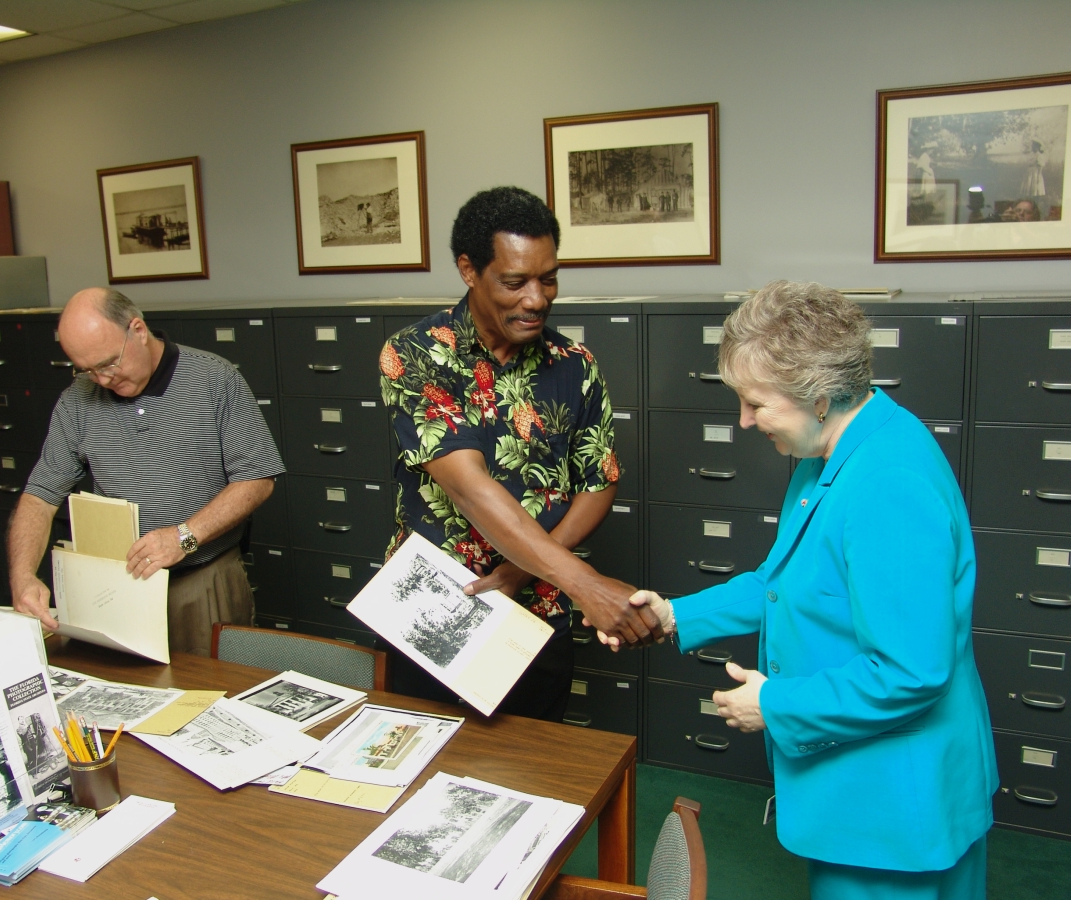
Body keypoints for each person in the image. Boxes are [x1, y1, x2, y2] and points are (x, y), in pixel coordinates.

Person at [638, 282, 997, 899]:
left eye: (756, 403)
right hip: (869, 790)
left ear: (820, 396)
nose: (744, 421)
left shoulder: (887, 485)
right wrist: (674, 614)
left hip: (895, 806)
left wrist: (774, 706)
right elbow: (783, 585)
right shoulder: (829, 452)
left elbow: (912, 671)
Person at [379, 186, 663, 721]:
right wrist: (585, 584)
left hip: (538, 608)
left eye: (548, 278)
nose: (536, 298)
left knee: (533, 771)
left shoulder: (574, 363)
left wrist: (522, 572)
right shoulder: (417, 353)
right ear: (469, 270)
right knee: (421, 767)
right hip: (435, 605)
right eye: (515, 282)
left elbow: (598, 481)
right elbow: (469, 486)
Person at [8, 288, 285, 655]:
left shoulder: (213, 380)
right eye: (87, 370)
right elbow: (41, 494)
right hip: (117, 587)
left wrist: (183, 538)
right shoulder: (78, 399)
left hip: (200, 581)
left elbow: (257, 479)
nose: (102, 380)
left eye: (108, 364)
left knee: (211, 694)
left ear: (137, 330)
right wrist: (23, 575)